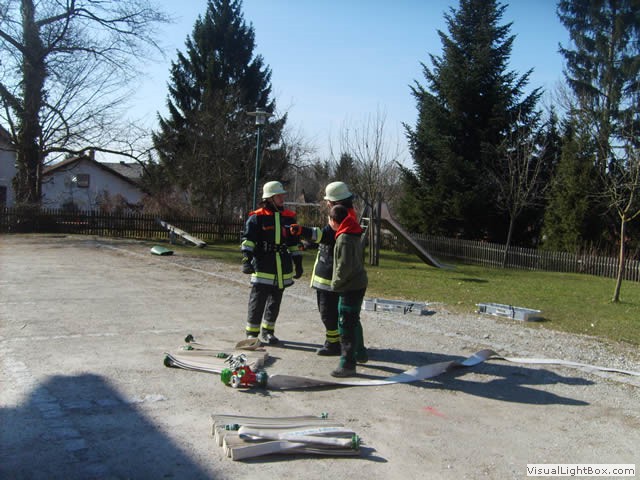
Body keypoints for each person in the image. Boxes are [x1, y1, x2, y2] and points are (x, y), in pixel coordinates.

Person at [291, 182, 367, 360]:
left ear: (336, 202)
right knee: (338, 314)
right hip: (331, 274)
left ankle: (338, 346)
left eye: (328, 201)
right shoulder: (347, 216)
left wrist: (303, 231)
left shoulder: (342, 219)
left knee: (330, 312)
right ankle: (345, 345)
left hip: (331, 277)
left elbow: (325, 235)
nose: (326, 203)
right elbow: (327, 239)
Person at [241, 181, 303, 345]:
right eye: (279, 196)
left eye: (282, 195)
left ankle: (268, 331)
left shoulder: (289, 217)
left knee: (275, 301)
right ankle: (252, 334)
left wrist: (298, 262)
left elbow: (293, 243)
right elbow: (248, 240)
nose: (282, 198)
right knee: (258, 301)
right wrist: (246, 260)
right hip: (263, 265)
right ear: (269, 198)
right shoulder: (257, 217)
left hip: (282, 266)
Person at [327, 204, 368, 377]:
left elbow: (344, 266)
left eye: (329, 219)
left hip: (350, 286)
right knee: (353, 319)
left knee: (345, 324)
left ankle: (347, 364)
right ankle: (360, 352)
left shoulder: (344, 238)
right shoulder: (353, 232)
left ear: (334, 220)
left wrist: (335, 283)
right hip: (358, 283)